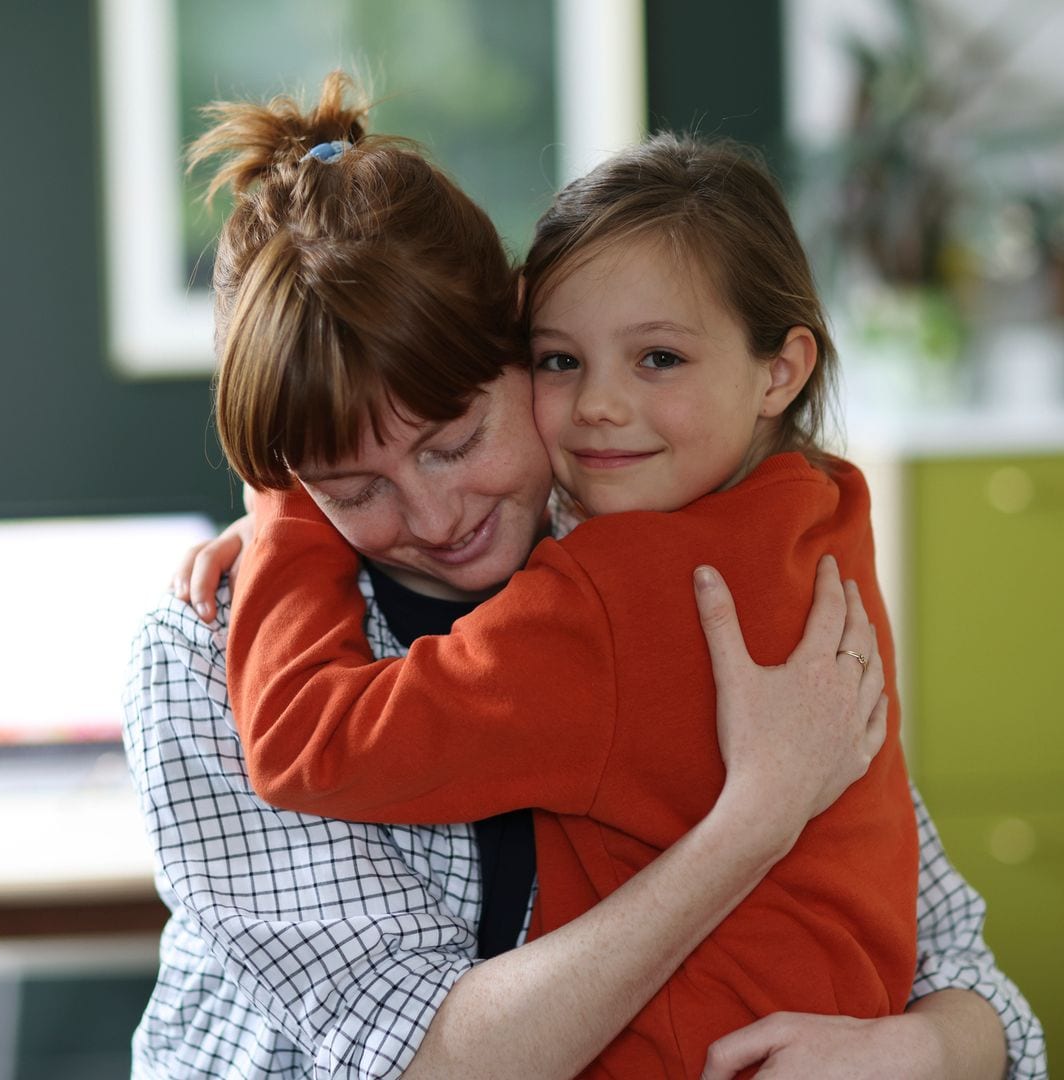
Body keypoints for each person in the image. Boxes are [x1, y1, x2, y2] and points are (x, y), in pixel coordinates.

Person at [131, 71, 1046, 1078]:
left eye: (455, 442)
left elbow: (951, 948)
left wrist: (926, 1047)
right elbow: (420, 1066)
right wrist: (289, 527)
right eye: (352, 486)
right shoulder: (205, 656)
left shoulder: (644, 570)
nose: (433, 520)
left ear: (521, 345)